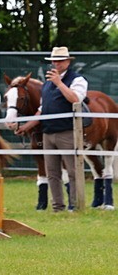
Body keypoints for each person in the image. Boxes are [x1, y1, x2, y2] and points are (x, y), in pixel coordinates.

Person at [18, 47, 88, 213]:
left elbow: (75, 99)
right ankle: (58, 207)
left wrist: (59, 83)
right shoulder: (47, 84)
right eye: (54, 61)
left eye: (60, 60)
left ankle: (75, 205)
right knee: (52, 173)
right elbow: (42, 109)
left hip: (67, 131)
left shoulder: (77, 80)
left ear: (68, 61)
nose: (56, 63)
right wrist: (26, 126)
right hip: (48, 132)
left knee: (72, 171)